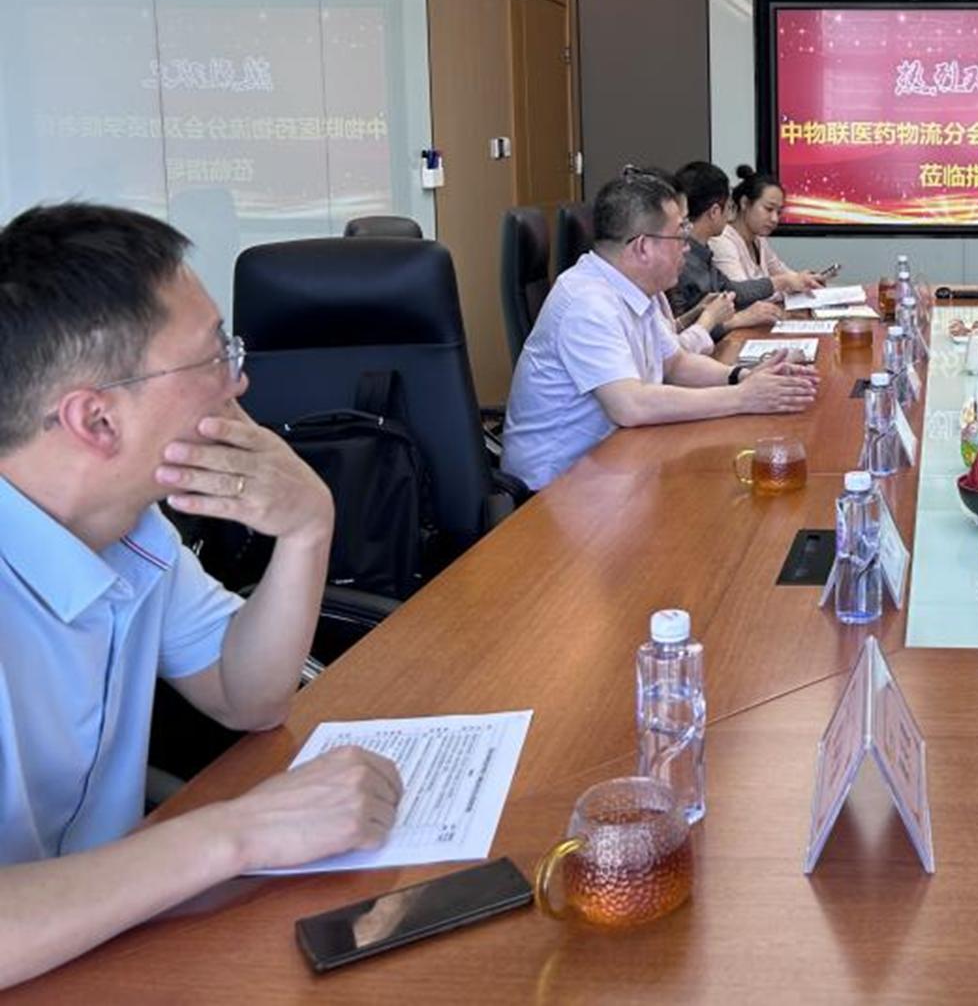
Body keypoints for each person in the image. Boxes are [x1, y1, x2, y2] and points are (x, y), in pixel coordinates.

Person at [0, 203, 402, 988]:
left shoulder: (132, 526)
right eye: (215, 353)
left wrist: (307, 529)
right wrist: (240, 831)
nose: (238, 378)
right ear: (97, 419)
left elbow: (248, 696)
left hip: (111, 947)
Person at [500, 171, 819, 491]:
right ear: (643, 247)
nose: (687, 248)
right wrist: (742, 398)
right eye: (680, 236)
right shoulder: (587, 301)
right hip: (557, 487)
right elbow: (631, 405)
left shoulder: (637, 287)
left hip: (617, 459)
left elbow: (675, 363)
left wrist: (741, 376)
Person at [667, 161, 784, 332]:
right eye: (729, 207)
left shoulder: (703, 251)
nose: (729, 216)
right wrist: (738, 319)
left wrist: (783, 282)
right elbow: (682, 335)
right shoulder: (681, 259)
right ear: (714, 212)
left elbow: (732, 290)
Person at [710, 167, 826, 290]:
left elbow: (783, 272)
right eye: (768, 209)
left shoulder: (759, 240)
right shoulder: (722, 240)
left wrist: (806, 279)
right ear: (744, 203)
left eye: (779, 212)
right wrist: (786, 283)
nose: (775, 219)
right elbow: (742, 293)